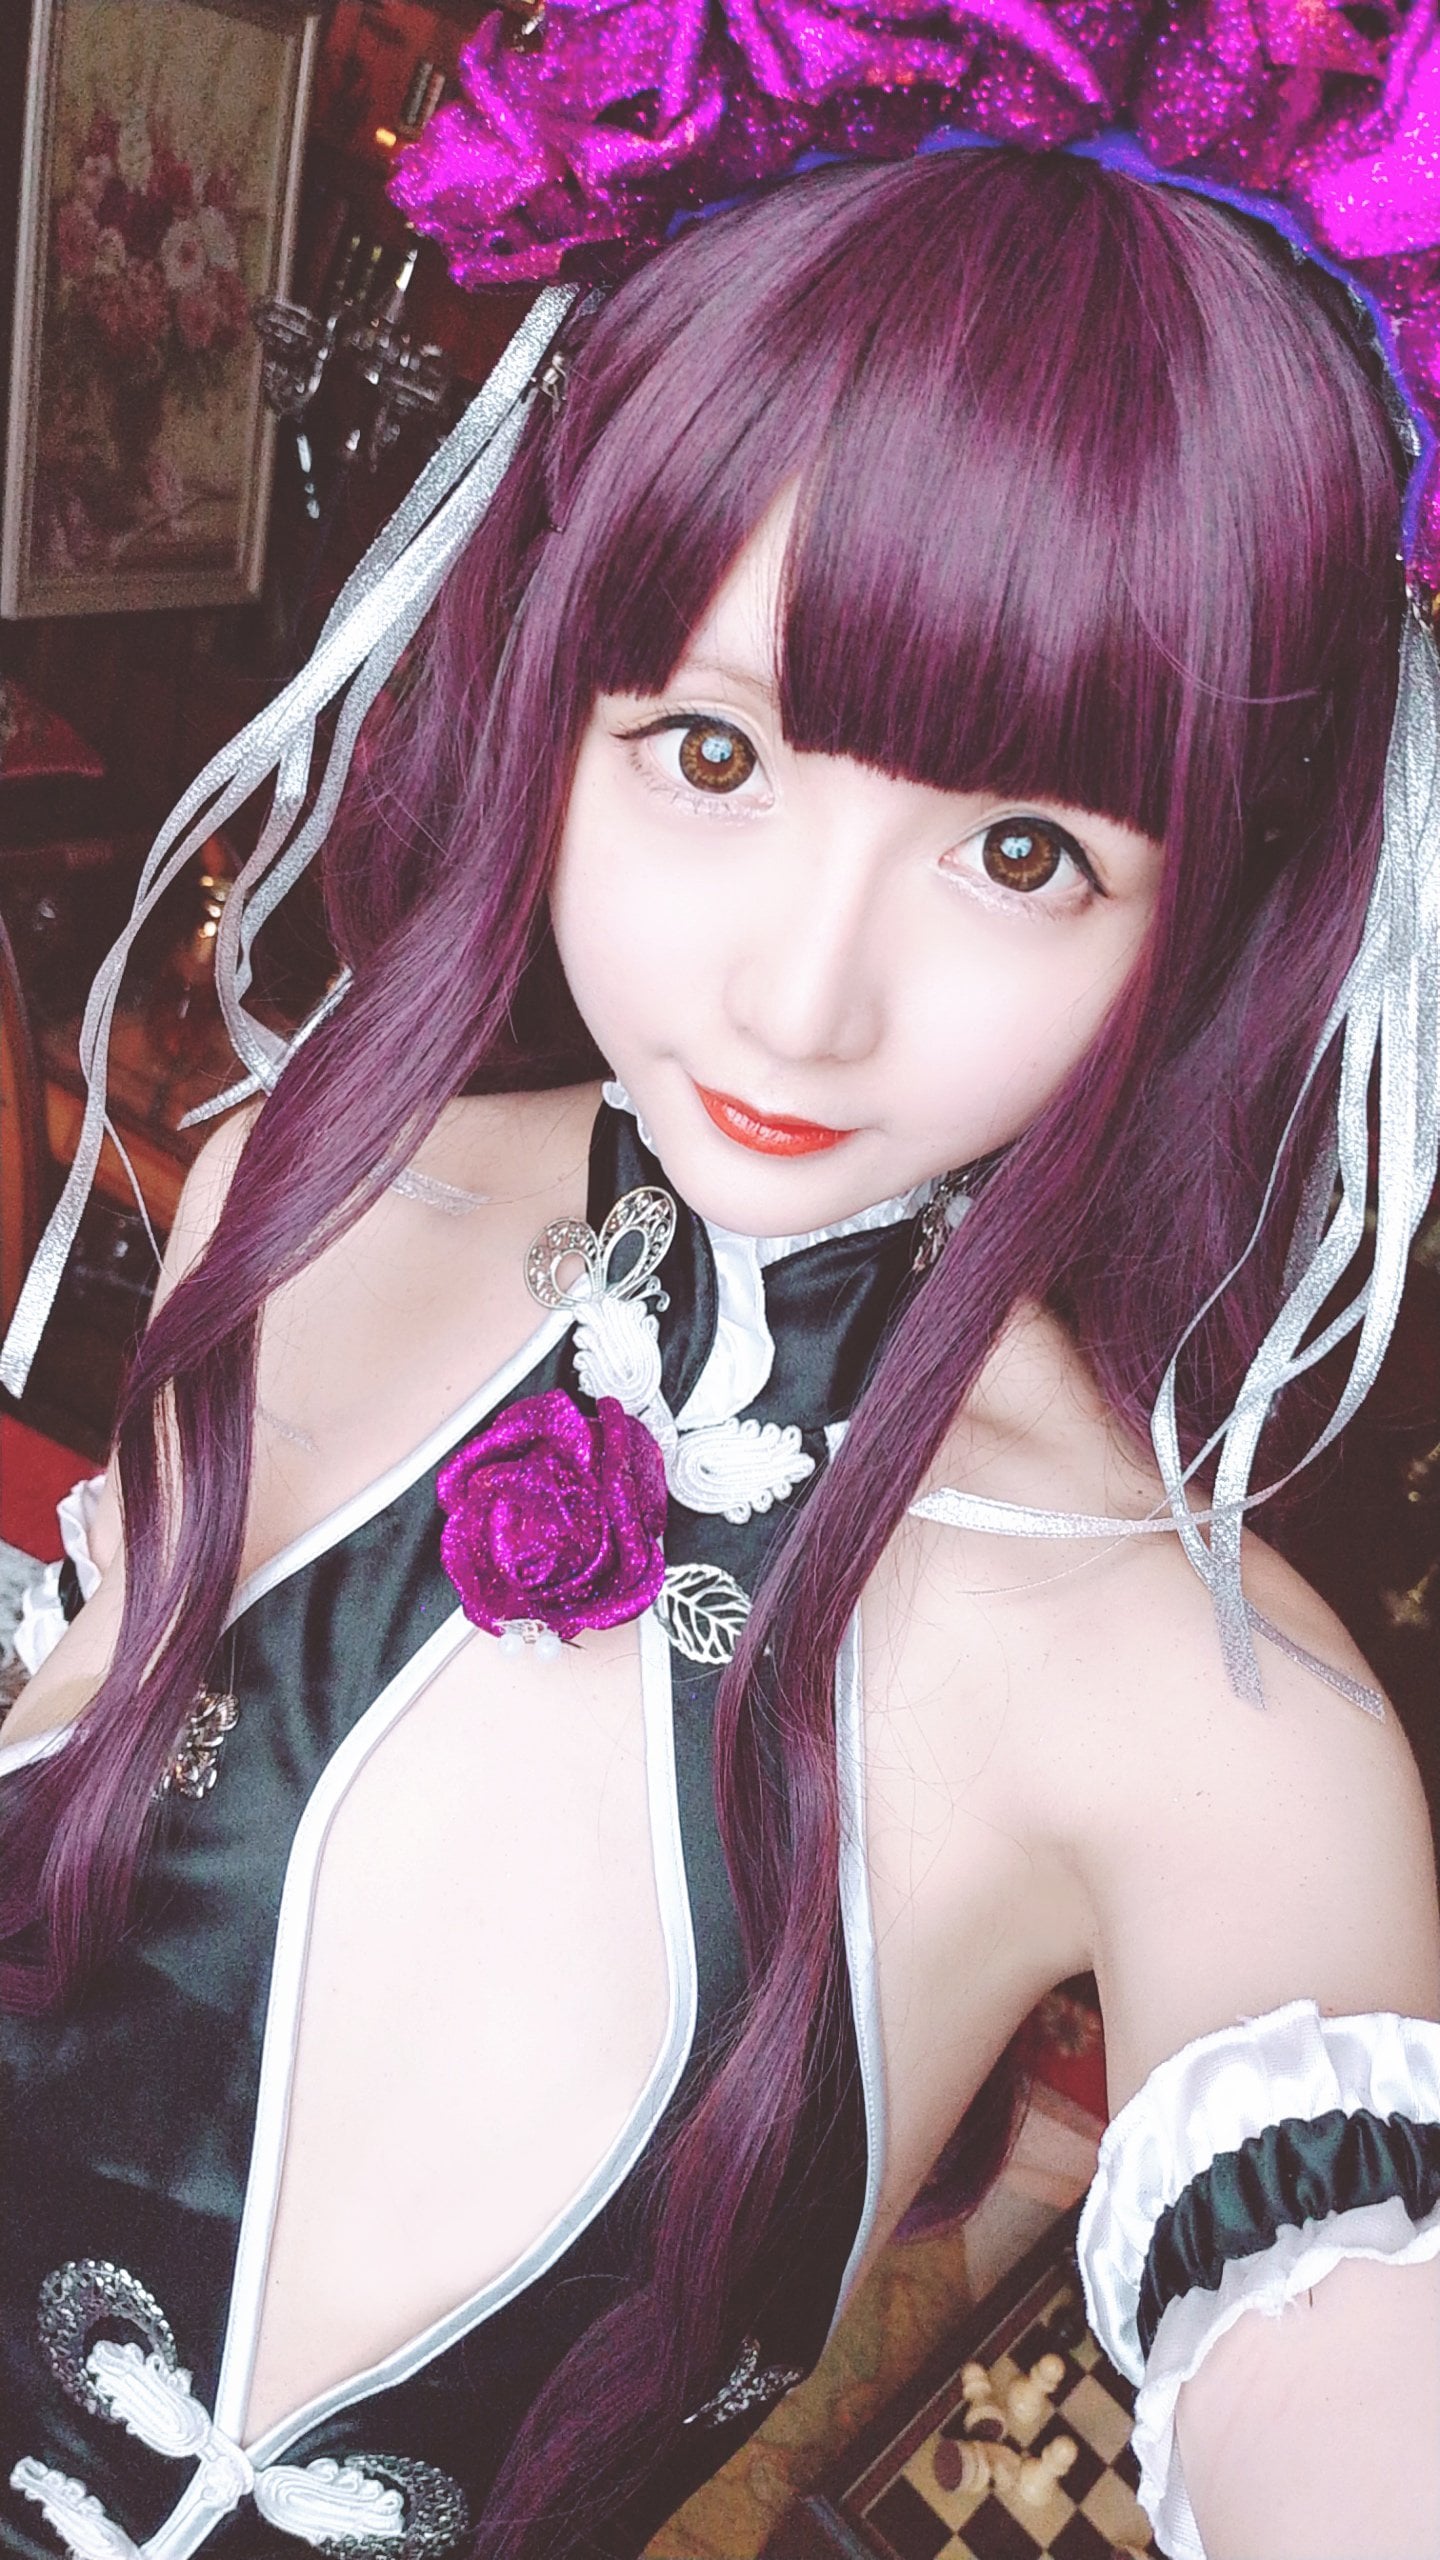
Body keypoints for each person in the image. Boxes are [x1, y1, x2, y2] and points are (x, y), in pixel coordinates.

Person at [1, 97, 1439, 2560]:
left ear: (1207, 903)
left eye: (1022, 849)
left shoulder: (1215, 1720)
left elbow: (1354, 2382)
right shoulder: (307, 1194)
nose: (801, 995)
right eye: (711, 750)